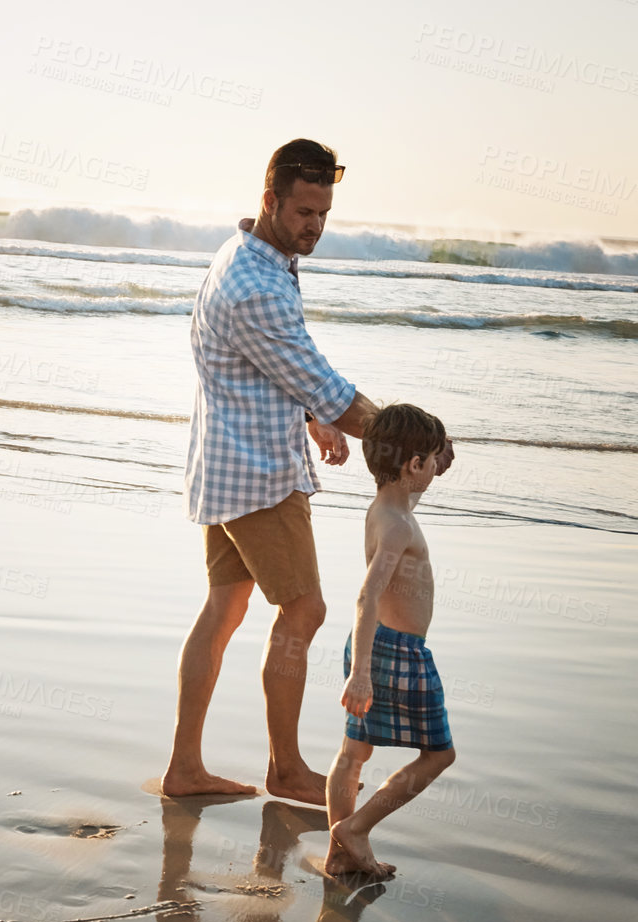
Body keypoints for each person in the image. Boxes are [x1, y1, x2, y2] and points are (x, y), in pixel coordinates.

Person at [165, 138, 382, 802]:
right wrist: (403, 434)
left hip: (225, 466)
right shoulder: (256, 283)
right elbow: (324, 382)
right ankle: (285, 768)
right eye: (303, 212)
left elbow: (288, 362)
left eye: (323, 213)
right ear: (271, 201)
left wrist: (315, 416)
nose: (314, 226)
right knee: (305, 609)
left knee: (225, 607)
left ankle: (185, 769)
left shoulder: (250, 255)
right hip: (259, 476)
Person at [324, 404, 458, 880]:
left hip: (373, 643)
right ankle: (355, 829)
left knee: (353, 754)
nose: (436, 469)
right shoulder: (400, 525)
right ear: (412, 465)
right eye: (429, 461)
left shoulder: (388, 506)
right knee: (440, 753)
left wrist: (433, 452)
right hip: (396, 652)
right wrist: (361, 674)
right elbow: (367, 595)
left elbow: (410, 487)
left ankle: (340, 855)